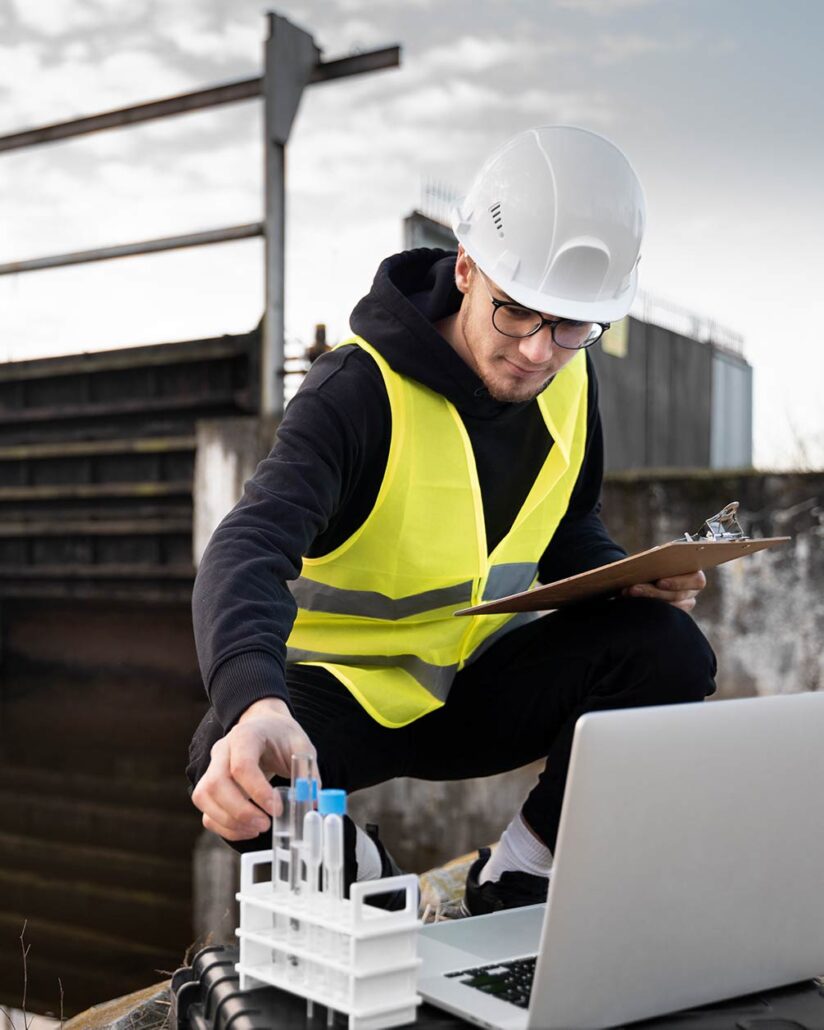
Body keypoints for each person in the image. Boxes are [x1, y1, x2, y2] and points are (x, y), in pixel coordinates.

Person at [187, 125, 716, 916]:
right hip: (350, 699)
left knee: (669, 651)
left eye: (572, 326)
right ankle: (371, 879)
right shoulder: (356, 395)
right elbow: (248, 546)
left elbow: (568, 527)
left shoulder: (572, 379)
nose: (540, 352)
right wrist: (258, 702)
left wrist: (622, 583)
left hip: (478, 690)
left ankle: (522, 873)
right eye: (516, 314)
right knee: (229, 760)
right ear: (467, 269)